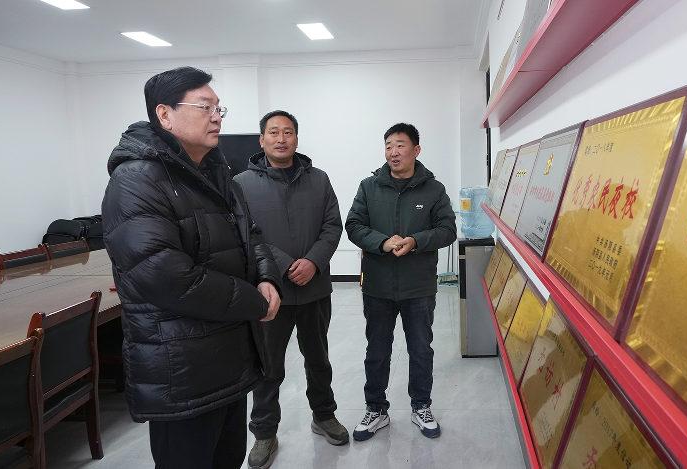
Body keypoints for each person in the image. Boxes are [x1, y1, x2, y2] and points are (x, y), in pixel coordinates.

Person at [101, 66, 282, 469]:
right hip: (182, 368)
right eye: (205, 107)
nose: (217, 117)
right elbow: (166, 275)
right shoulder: (136, 180)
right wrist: (254, 301)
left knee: (227, 458)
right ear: (164, 115)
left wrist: (267, 276)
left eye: (219, 108)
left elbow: (250, 234)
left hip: (229, 357)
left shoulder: (216, 172)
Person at [233, 110, 347, 469]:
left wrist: (313, 261)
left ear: (297, 138)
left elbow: (333, 225)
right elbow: (244, 234)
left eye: (288, 132)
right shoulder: (241, 184)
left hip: (315, 288)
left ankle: (324, 415)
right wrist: (283, 264)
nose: (281, 139)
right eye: (273, 132)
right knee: (268, 366)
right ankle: (264, 432)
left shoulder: (319, 179)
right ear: (262, 140)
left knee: (319, 358)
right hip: (269, 291)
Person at [345, 123, 456, 441]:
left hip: (418, 286)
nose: (393, 152)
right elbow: (353, 225)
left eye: (400, 145)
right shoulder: (369, 187)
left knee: (421, 350)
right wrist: (382, 242)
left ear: (416, 150)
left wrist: (416, 241)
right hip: (377, 286)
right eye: (388, 146)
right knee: (377, 351)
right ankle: (376, 409)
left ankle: (421, 406)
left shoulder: (434, 190)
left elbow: (447, 229)